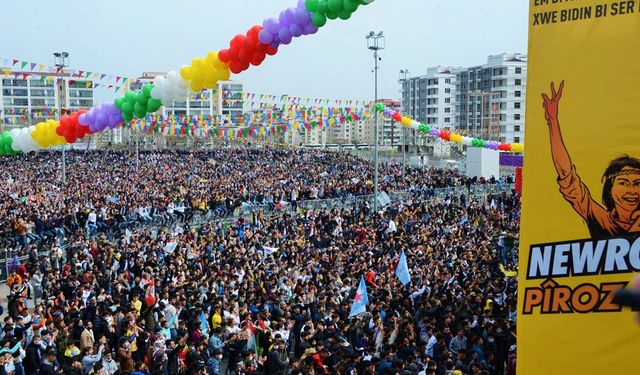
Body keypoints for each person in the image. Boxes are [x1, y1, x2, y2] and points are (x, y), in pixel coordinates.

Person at [542, 80, 640, 238]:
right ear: (610, 189)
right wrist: (553, 121)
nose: (632, 191)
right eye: (623, 183)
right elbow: (567, 175)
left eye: (637, 183)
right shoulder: (601, 220)